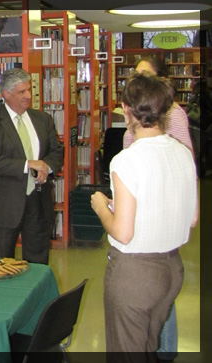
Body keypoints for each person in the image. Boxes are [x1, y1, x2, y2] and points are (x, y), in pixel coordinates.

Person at [91, 73, 198, 358]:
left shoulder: (126, 160)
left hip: (134, 275)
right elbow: (191, 217)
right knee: (149, 349)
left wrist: (101, 205)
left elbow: (123, 232)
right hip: (172, 269)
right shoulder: (184, 153)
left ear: (127, 110)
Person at [123, 55, 193, 361]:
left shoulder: (171, 115)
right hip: (135, 198)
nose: (137, 80)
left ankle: (164, 349)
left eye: (145, 75)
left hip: (154, 207)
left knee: (156, 285)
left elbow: (181, 159)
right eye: (135, 74)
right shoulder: (137, 115)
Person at [0, 68, 64, 264]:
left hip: (38, 202)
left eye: (28, 90)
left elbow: (57, 151)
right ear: (6, 94)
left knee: (38, 264)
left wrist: (46, 167)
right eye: (21, 92)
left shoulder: (42, 119)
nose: (27, 96)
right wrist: (28, 165)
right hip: (4, 207)